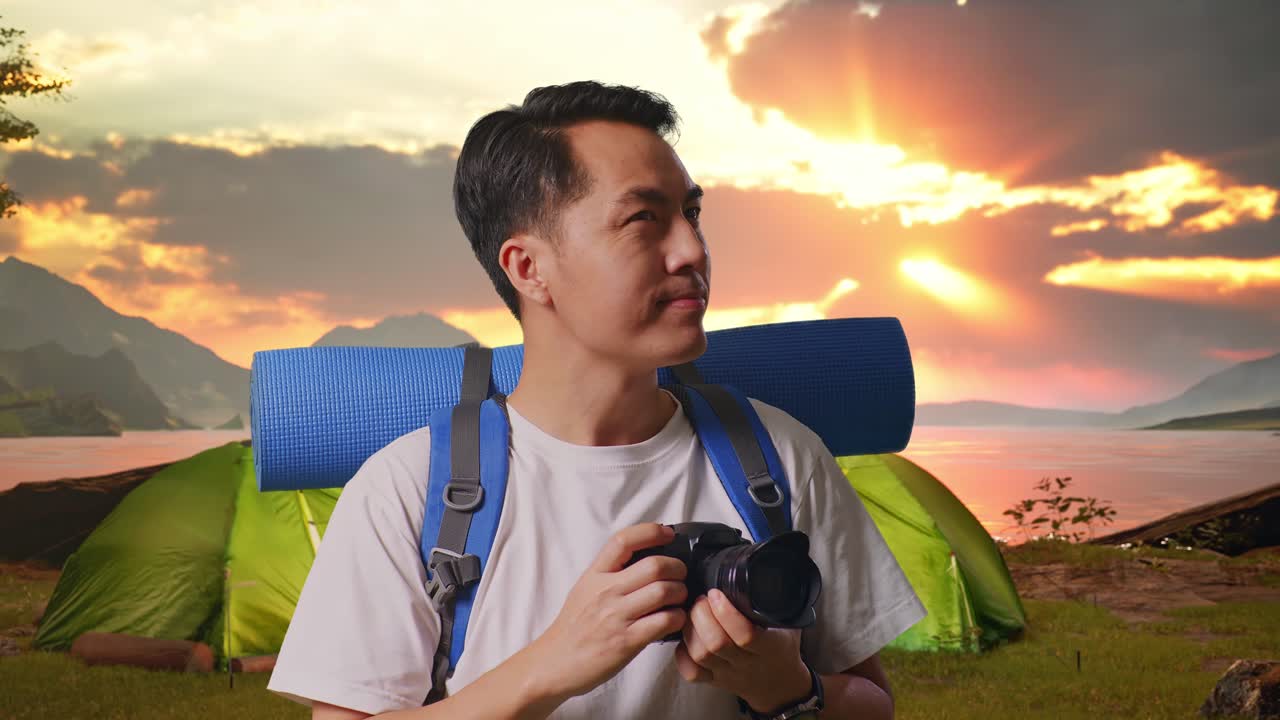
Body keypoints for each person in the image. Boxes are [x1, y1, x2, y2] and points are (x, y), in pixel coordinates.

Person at [267, 80, 926, 720]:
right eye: (644, 219)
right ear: (530, 268)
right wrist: (550, 667)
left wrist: (788, 688)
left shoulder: (777, 457)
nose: (692, 250)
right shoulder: (407, 491)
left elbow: (872, 703)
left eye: (691, 214)